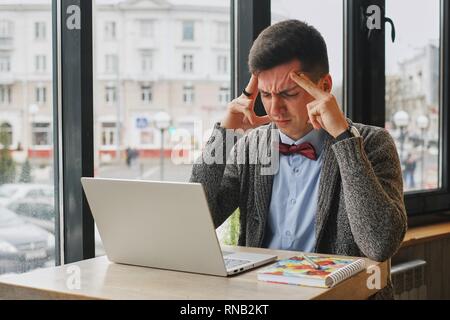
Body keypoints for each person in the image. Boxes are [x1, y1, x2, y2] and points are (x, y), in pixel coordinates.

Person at [190, 20, 407, 299]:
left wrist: (343, 139)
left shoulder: (373, 143)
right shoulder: (251, 146)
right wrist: (222, 135)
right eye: (265, 95)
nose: (275, 108)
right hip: (261, 297)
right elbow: (200, 220)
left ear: (324, 86)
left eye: (288, 94)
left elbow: (379, 243)